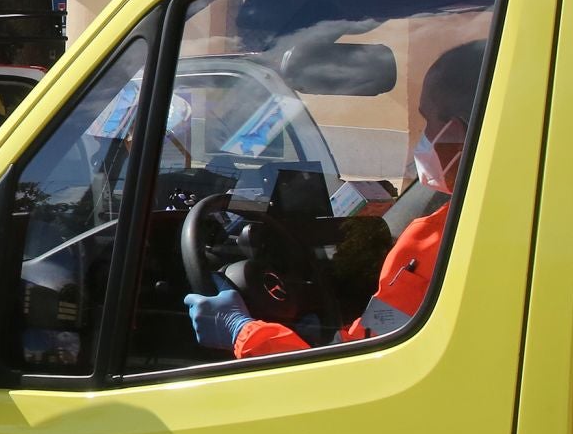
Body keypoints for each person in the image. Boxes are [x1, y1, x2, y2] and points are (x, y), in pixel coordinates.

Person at [186, 40, 484, 359]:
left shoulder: (435, 244)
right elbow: (371, 339)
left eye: (428, 120)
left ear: (460, 131)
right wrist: (313, 333)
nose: (423, 135)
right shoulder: (481, 214)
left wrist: (240, 329)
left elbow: (365, 367)